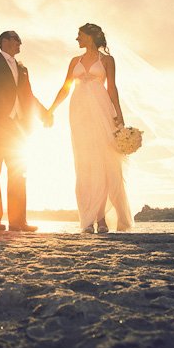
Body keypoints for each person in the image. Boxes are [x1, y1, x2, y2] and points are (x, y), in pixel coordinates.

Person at [48, 23, 134, 233]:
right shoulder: (74, 61)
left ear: (90, 37)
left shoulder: (107, 60)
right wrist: (50, 109)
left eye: (80, 35)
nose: (77, 39)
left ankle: (102, 219)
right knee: (84, 163)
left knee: (103, 161)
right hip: (78, 112)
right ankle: (87, 218)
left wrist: (119, 116)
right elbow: (66, 87)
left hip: (101, 108)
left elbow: (112, 87)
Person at [0, 30, 51, 232]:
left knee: (18, 172)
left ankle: (18, 222)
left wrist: (44, 114)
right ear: (5, 41)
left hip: (19, 127)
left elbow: (29, 96)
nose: (20, 44)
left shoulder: (23, 69)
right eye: (17, 40)